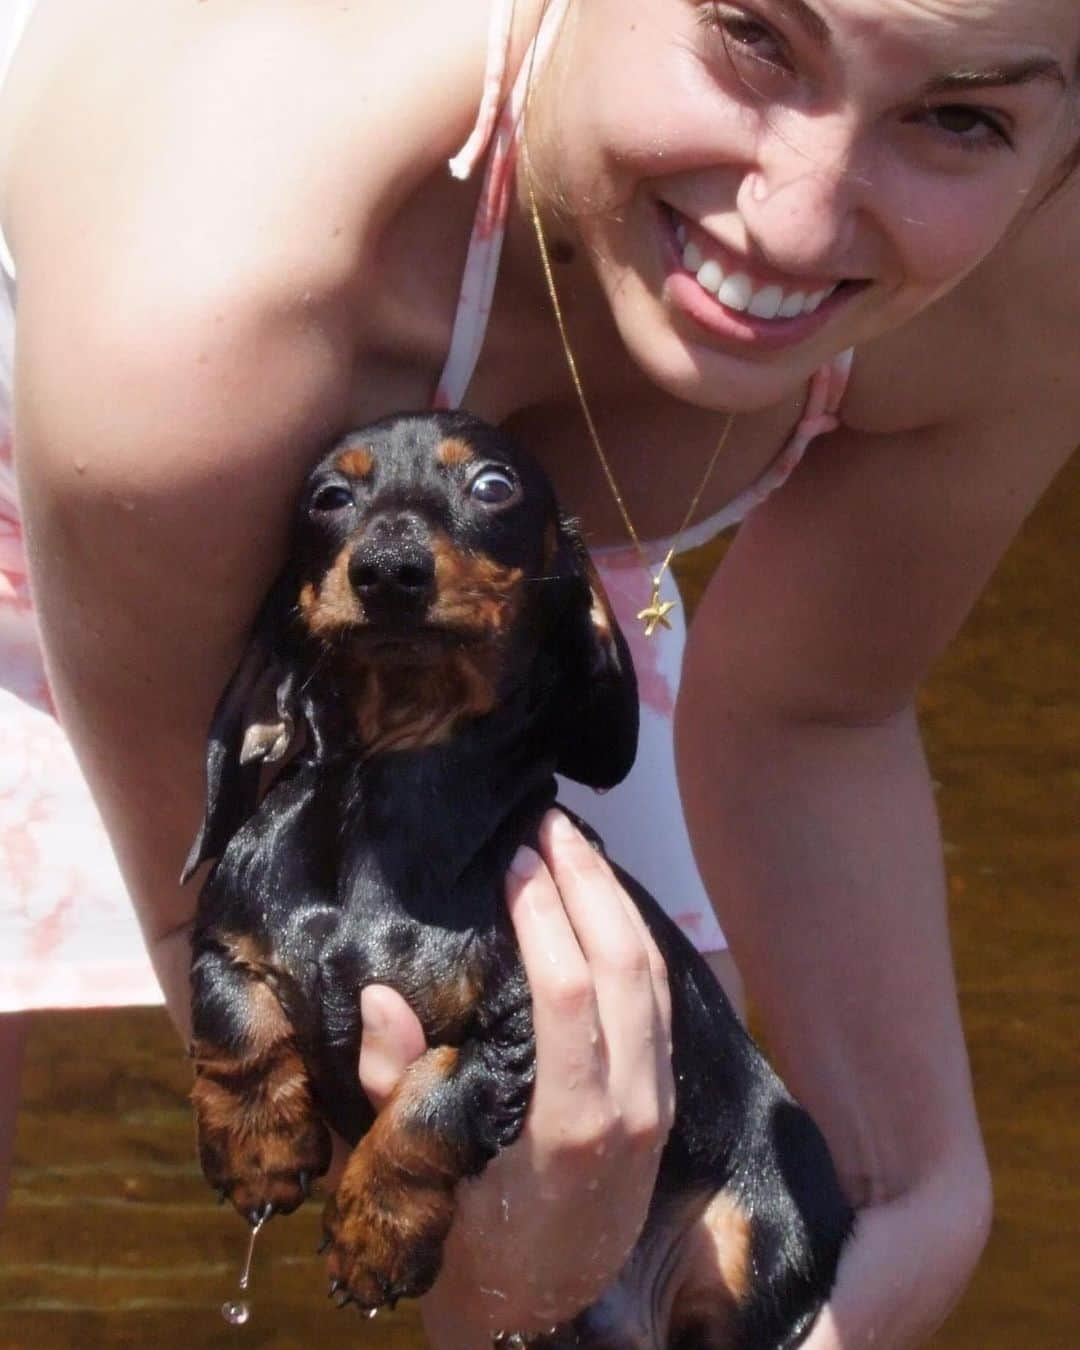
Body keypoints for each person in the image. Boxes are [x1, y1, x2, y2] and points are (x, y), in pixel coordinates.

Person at [1, 0, 1078, 1342]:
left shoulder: (1029, 272)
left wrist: (926, 1186)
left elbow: (810, 714)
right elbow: (226, 927)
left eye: (962, 115)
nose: (796, 225)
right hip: (130, 424)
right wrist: (505, 1270)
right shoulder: (214, 291)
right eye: (753, 36)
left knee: (651, 1140)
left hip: (488, 594)